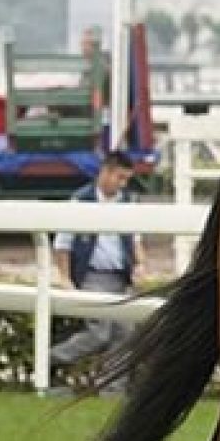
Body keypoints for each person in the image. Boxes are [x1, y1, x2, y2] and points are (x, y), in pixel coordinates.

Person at [50, 151, 144, 386]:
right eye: (120, 178)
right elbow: (62, 244)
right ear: (106, 172)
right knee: (99, 333)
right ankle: (50, 359)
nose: (123, 184)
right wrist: (64, 277)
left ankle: (113, 389)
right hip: (92, 275)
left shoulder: (127, 203)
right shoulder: (80, 201)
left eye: (126, 179)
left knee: (125, 334)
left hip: (121, 276)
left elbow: (135, 241)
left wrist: (141, 265)